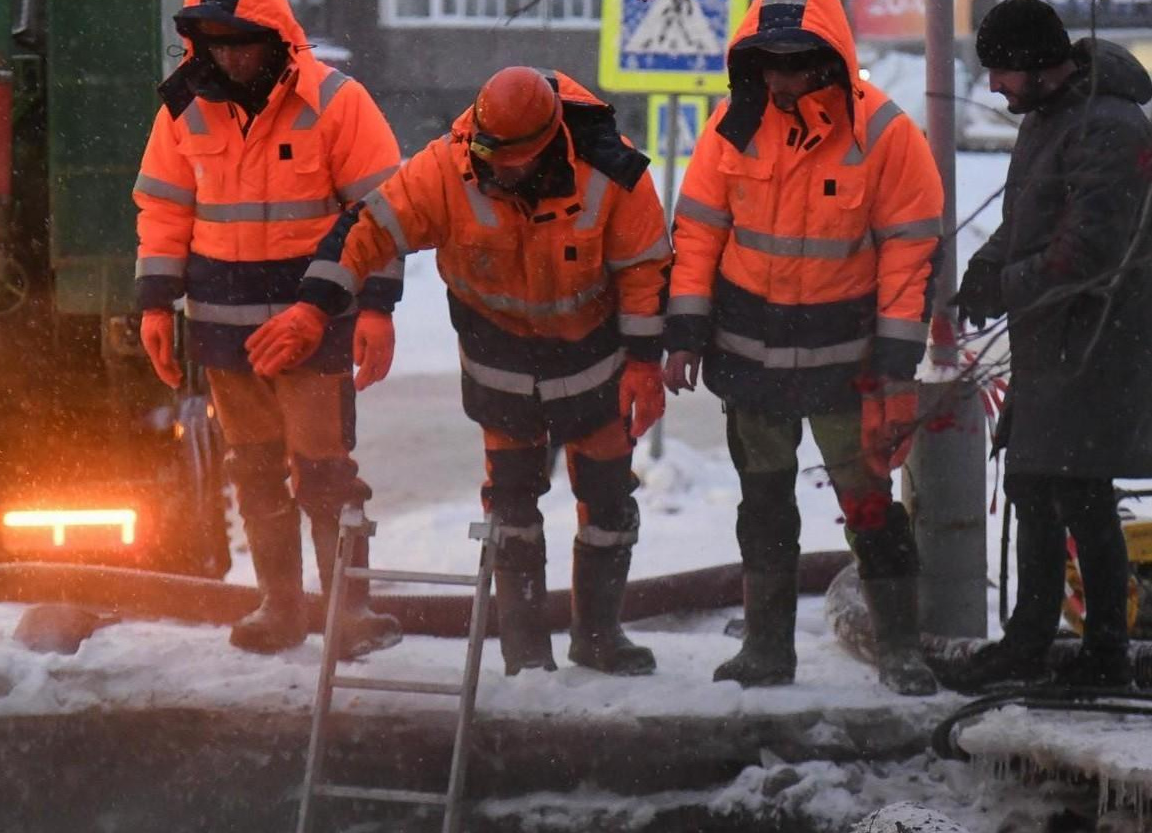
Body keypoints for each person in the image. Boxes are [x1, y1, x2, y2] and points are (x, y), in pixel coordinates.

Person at [243, 67, 671, 677]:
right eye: (491, 155)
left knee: (606, 498)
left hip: (591, 361)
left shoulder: (612, 174)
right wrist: (314, 307)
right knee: (511, 505)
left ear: (550, 143)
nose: (501, 172)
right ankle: (525, 656)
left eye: (514, 160)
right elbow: (364, 231)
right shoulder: (447, 168)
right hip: (498, 359)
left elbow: (646, 272)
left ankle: (599, 637)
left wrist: (645, 364)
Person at [663, 0, 943, 695]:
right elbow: (697, 232)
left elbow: (909, 259)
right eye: (766, 65)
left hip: (843, 365)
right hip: (748, 358)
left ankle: (899, 649)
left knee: (869, 505)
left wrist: (894, 373)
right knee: (762, 504)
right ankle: (765, 648)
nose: (779, 82)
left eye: (793, 66)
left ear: (830, 61)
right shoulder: (732, 129)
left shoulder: (883, 134)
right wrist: (684, 332)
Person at [133, 0, 404, 658]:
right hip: (224, 332)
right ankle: (280, 606)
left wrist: (375, 307)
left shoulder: (338, 103)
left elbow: (383, 213)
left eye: (241, 43)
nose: (228, 57)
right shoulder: (184, 107)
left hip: (313, 328)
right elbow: (164, 206)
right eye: (215, 44)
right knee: (252, 469)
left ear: (277, 40)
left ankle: (348, 611)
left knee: (325, 473)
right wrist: (154, 302)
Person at [946, 0, 1152, 691]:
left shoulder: (1108, 124)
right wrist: (981, 274)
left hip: (1094, 338)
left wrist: (1004, 285)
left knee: (1079, 493)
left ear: (1037, 64)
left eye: (1001, 71)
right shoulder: (1048, 116)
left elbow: (1088, 252)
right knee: (1033, 484)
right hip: (1052, 337)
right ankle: (1027, 640)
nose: (995, 86)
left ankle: (1103, 654)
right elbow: (1026, 219)